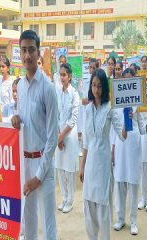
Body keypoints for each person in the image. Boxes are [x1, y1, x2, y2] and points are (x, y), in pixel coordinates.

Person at [11, 30, 58, 240]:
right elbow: (23, 118)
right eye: (23, 50)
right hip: (25, 163)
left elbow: (52, 138)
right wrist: (15, 119)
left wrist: (38, 176)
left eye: (31, 50)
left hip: (44, 166)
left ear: (39, 53)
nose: (27, 55)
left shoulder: (48, 88)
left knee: (49, 224)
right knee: (28, 220)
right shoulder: (20, 86)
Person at [79, 68, 127, 240]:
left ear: (104, 88)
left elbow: (121, 136)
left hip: (103, 164)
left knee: (102, 207)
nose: (96, 90)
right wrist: (82, 166)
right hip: (90, 163)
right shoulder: (88, 109)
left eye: (99, 86)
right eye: (93, 85)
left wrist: (127, 121)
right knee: (89, 206)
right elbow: (86, 141)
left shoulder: (110, 108)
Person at [111, 106, 146, 235]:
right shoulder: (116, 103)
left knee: (133, 184)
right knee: (119, 182)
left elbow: (142, 129)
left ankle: (133, 221)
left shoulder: (137, 103)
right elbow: (113, 130)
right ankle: (120, 219)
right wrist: (113, 149)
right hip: (120, 146)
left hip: (133, 145)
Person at [55, 63, 80, 214]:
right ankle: (64, 198)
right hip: (59, 134)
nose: (62, 77)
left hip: (69, 135)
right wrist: (58, 136)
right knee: (59, 168)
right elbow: (57, 115)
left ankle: (70, 200)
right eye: (60, 75)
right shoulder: (59, 92)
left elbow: (74, 118)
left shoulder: (74, 94)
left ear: (69, 76)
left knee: (69, 170)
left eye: (64, 75)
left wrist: (62, 136)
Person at [0, 57, 14, 121]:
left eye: (3, 66)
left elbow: (12, 103)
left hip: (7, 118)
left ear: (8, 68)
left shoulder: (11, 83)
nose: (1, 69)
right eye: (0, 66)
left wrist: (9, 120)